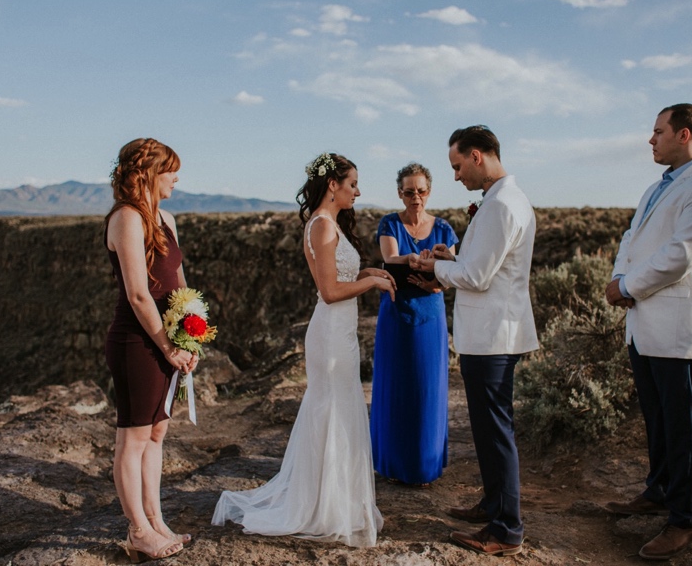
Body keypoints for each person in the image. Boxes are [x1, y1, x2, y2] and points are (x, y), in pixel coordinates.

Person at [212, 152, 394, 547]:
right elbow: (329, 292)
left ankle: (342, 502)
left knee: (340, 410)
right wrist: (373, 285)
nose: (358, 192)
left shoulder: (328, 224)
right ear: (333, 185)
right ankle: (326, 508)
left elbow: (339, 277)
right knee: (334, 411)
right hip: (330, 334)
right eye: (352, 184)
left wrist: (365, 272)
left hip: (339, 332)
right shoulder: (323, 227)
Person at [604, 104, 692, 561]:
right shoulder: (657, 187)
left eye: (658, 131)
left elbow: (682, 254)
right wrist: (621, 281)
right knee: (658, 420)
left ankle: (688, 517)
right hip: (645, 325)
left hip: (680, 327)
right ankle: (659, 490)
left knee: (682, 427)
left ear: (684, 134)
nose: (650, 139)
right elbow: (631, 239)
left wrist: (627, 285)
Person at [410, 125, 538, 557]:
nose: (457, 174)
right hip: (492, 331)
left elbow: (478, 277)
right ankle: (493, 503)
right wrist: (454, 257)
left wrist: (436, 270)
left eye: (458, 165)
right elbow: (483, 264)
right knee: (485, 428)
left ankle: (507, 530)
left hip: (493, 335)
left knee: (496, 430)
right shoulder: (504, 200)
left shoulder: (502, 205)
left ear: (478, 156)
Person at [104, 138, 199, 562]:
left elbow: (178, 285)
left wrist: (189, 339)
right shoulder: (126, 219)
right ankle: (138, 531)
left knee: (157, 432)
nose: (177, 178)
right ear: (147, 174)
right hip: (136, 342)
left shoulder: (167, 218)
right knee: (134, 435)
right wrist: (167, 348)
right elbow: (140, 296)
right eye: (170, 171)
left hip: (167, 342)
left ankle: (157, 521)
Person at [371, 162, 458, 487]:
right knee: (395, 388)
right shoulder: (389, 224)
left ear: (429, 191)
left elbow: (452, 274)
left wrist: (439, 282)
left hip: (430, 316)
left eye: (421, 191)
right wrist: (409, 261)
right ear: (400, 193)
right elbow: (389, 258)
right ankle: (392, 463)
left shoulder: (445, 229)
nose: (416, 197)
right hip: (395, 316)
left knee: (427, 388)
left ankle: (424, 465)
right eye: (409, 192)